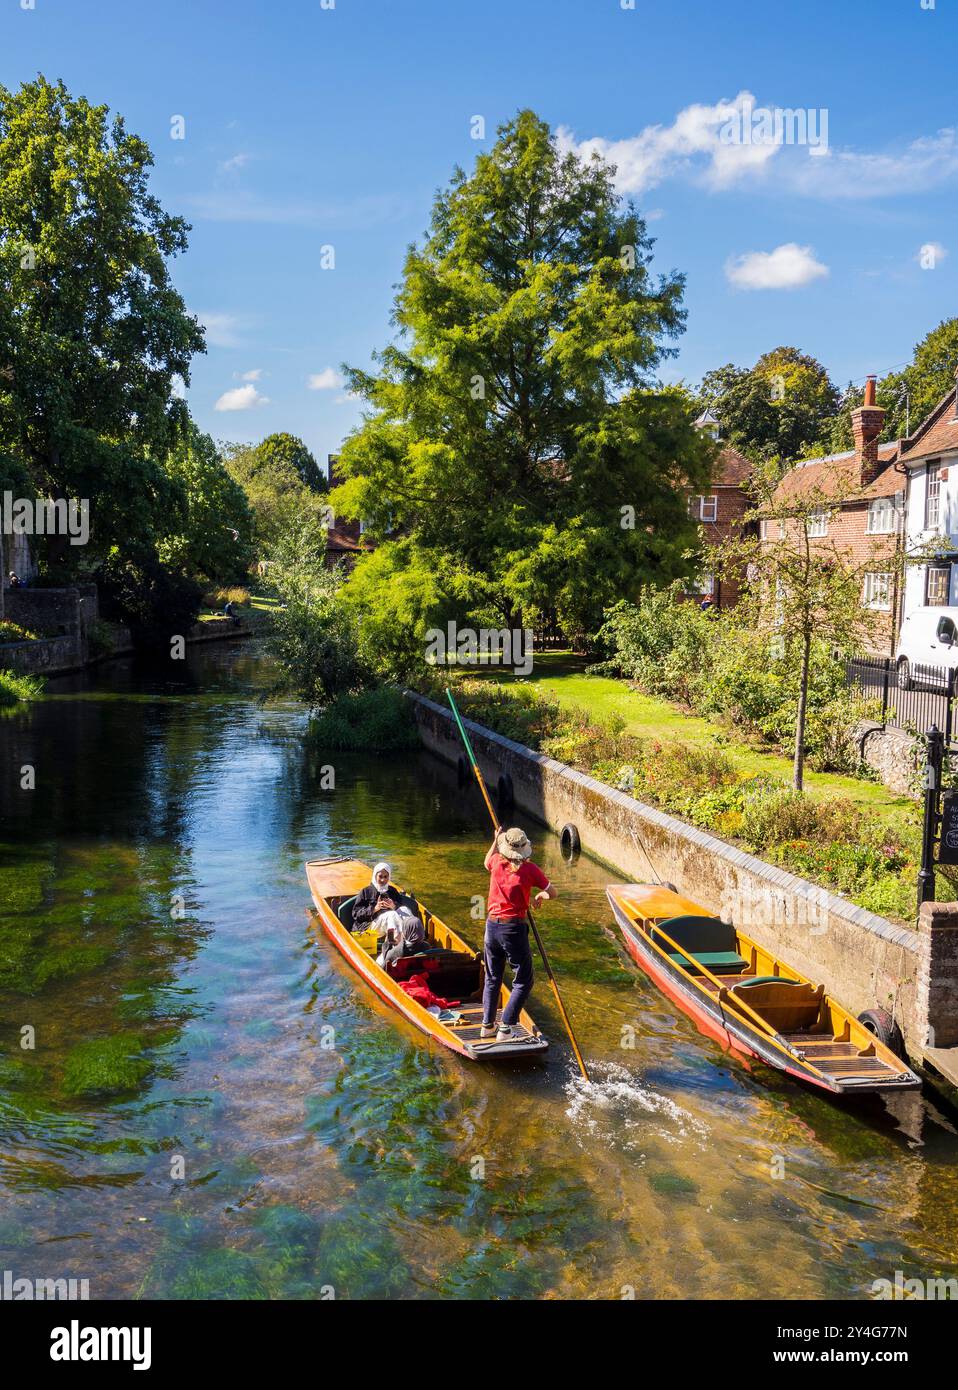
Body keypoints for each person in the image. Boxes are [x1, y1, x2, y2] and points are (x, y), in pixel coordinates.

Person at [481, 826, 556, 1042]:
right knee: (524, 979)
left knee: (493, 976)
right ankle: (506, 1028)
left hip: (492, 927)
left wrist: (495, 840)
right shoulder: (530, 870)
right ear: (524, 849)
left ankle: (487, 1026)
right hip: (513, 928)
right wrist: (540, 895)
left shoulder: (495, 861)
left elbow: (487, 860)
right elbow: (553, 893)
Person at [351, 861, 425, 966]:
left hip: (393, 926)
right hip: (370, 926)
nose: (383, 880)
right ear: (375, 875)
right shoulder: (365, 891)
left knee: (404, 910)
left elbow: (401, 909)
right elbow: (356, 914)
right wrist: (374, 909)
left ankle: (413, 940)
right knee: (391, 915)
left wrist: (393, 906)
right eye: (380, 876)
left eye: (386, 877)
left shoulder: (392, 891)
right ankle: (394, 949)